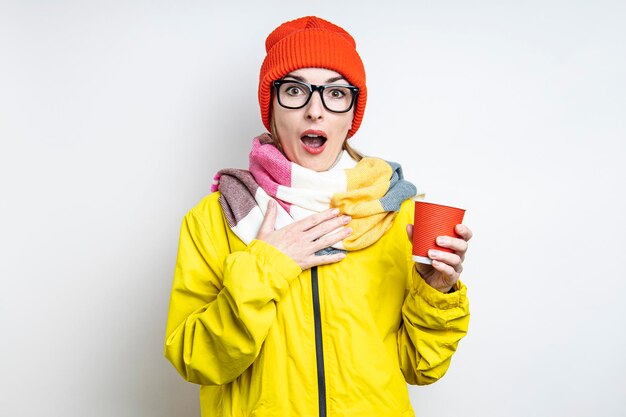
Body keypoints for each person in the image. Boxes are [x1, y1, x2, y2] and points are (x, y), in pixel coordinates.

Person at [164, 16, 472, 417]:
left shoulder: (397, 215)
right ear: (271, 109)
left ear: (351, 113)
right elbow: (196, 361)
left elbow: (420, 367)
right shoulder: (216, 217)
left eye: (335, 94)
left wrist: (435, 294)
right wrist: (266, 267)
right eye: (294, 90)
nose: (315, 111)